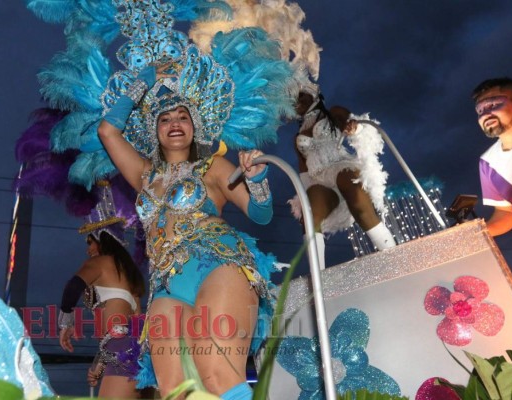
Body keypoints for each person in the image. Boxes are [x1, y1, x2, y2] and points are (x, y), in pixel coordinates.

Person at [97, 60, 278, 399]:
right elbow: (107, 131)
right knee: (176, 390)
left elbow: (261, 214)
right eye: (164, 119)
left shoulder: (212, 166)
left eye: (182, 116)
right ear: (155, 129)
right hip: (165, 285)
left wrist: (258, 181)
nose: (174, 123)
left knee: (217, 374)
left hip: (218, 265)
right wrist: (144, 81)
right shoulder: (144, 174)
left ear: (195, 125)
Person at [289, 84, 396, 269]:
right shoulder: (297, 136)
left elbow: (357, 125)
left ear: (312, 94)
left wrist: (356, 130)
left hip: (339, 166)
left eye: (300, 94)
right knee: (309, 216)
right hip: (318, 179)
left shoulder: (333, 113)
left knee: (356, 196)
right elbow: (303, 169)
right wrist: (303, 199)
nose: (295, 100)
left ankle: (394, 257)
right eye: (291, 98)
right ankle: (319, 279)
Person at [58, 181, 146, 399]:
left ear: (102, 239)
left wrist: (65, 323)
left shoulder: (100, 263)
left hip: (122, 348)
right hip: (138, 351)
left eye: (90, 242)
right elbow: (127, 329)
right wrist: (99, 363)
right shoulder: (130, 277)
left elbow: (73, 287)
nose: (88, 250)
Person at [472, 77, 512, 238]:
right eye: (480, 110)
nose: (486, 115)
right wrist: (477, 233)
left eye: (493, 105)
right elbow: (507, 211)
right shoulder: (488, 163)